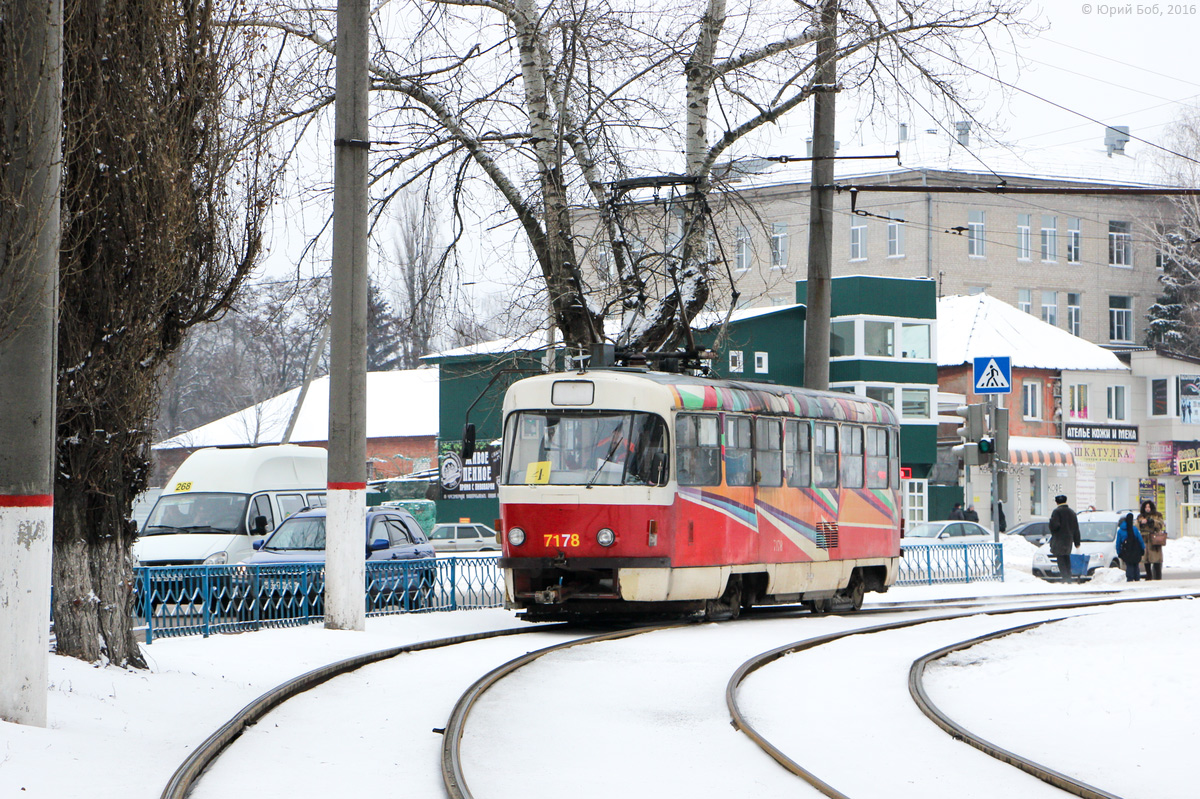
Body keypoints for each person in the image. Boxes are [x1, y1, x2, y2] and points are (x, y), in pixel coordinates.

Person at [1048, 494, 1082, 582]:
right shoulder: (1072, 512)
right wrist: (1077, 542)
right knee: (1067, 558)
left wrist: (1051, 523)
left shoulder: (1056, 512)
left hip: (1059, 539)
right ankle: (1068, 577)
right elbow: (1076, 528)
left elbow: (1055, 526)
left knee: (1061, 559)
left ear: (1056, 502)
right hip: (1068, 540)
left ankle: (1065, 578)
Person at [1137, 499, 1166, 580]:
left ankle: (1157, 576)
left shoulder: (1157, 515)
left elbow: (1161, 524)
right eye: (1146, 507)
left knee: (1156, 559)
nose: (1147, 508)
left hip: (1154, 539)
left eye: (1149, 507)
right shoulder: (1141, 516)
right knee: (1146, 559)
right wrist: (1140, 522)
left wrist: (1152, 522)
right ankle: (1148, 575)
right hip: (1145, 539)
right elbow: (1136, 525)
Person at [1116, 512, 1145, 582]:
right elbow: (1140, 539)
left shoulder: (1120, 531)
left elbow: (1118, 543)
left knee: (1129, 565)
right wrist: (1142, 548)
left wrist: (1119, 552)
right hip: (1136, 550)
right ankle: (1137, 578)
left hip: (1126, 551)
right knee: (1136, 564)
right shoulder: (1134, 529)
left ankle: (1130, 579)